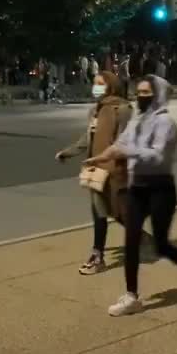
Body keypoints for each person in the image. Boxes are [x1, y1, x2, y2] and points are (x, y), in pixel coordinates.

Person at [84, 76, 177, 316]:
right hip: (137, 188)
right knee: (131, 240)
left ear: (158, 95)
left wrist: (126, 150)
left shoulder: (166, 124)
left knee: (161, 245)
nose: (140, 97)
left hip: (160, 189)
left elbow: (156, 156)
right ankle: (131, 296)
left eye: (146, 93)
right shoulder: (138, 121)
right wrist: (100, 158)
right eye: (139, 92)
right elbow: (119, 143)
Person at [55, 71, 133, 275]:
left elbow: (124, 142)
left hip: (114, 169)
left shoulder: (122, 109)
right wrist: (68, 152)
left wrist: (113, 163)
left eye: (100, 83)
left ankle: (100, 255)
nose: (95, 87)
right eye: (94, 83)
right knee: (101, 210)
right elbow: (87, 138)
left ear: (111, 86)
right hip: (95, 169)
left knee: (114, 211)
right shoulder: (95, 110)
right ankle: (99, 254)